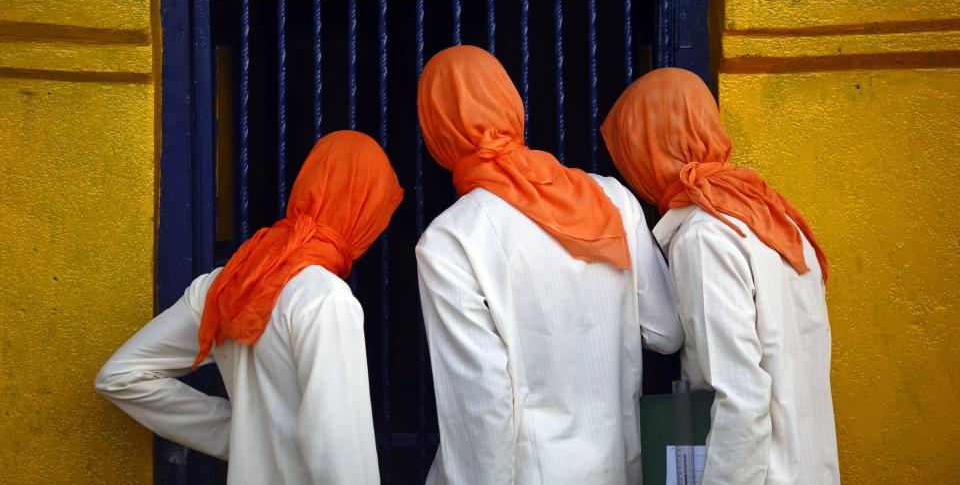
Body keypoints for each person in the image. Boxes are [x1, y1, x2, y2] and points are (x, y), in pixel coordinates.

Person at [415, 45, 683, 484]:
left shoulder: (451, 240)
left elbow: (481, 406)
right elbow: (667, 333)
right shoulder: (612, 198)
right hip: (622, 470)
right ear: (513, 106)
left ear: (435, 133)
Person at [96, 130, 403, 485]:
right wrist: (248, 432)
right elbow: (343, 458)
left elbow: (121, 376)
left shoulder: (226, 283)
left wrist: (244, 434)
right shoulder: (326, 299)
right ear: (364, 211)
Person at [601, 67, 840, 485]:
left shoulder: (704, 237)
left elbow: (741, 399)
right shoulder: (772, 215)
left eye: (629, 152)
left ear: (647, 150)